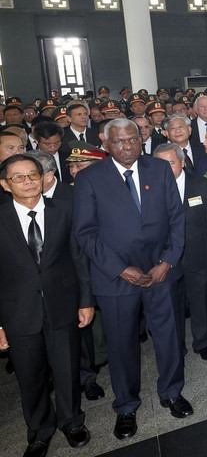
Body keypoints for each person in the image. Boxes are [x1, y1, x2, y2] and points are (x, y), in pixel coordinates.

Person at [72, 118, 192, 441]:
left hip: (159, 272)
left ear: (142, 139)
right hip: (116, 278)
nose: (127, 147)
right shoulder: (90, 179)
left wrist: (166, 261)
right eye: (119, 142)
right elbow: (85, 233)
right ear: (105, 143)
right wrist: (120, 268)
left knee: (168, 336)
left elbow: (176, 220)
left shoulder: (159, 169)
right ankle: (126, 406)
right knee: (122, 343)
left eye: (133, 140)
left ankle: (172, 391)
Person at [0, 155, 93, 457]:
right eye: (18, 177)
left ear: (43, 177)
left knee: (67, 369)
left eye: (33, 174)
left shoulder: (65, 209)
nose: (28, 181)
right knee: (30, 376)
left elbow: (79, 258)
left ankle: (71, 421)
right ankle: (39, 430)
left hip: (63, 304)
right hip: (17, 312)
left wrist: (86, 300)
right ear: (5, 184)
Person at [153, 143, 207, 362]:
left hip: (198, 253)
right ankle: (176, 347)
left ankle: (202, 343)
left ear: (182, 162)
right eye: (160, 164)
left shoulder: (200, 183)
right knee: (172, 306)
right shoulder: (149, 189)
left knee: (200, 302)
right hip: (165, 259)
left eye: (170, 162)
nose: (165, 168)